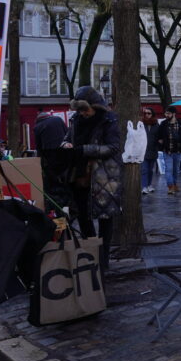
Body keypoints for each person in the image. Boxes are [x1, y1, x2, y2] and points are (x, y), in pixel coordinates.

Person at [62, 86, 122, 271]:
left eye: (84, 109)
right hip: (80, 176)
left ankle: (103, 261)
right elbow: (66, 137)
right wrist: (66, 143)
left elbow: (113, 147)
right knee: (82, 216)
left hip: (103, 177)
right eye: (79, 110)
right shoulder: (76, 120)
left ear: (96, 106)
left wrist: (85, 150)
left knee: (105, 219)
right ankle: (91, 256)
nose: (82, 113)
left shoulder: (108, 120)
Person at [34, 110, 71, 211]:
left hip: (50, 154)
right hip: (65, 152)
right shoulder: (58, 119)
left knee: (53, 179)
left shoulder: (38, 126)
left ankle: (58, 204)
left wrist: (39, 162)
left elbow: (38, 146)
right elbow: (68, 133)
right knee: (65, 177)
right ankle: (68, 201)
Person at [156, 106, 181, 194]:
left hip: (178, 151)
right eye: (165, 113)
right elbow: (158, 135)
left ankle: (174, 184)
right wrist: (161, 143)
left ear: (174, 114)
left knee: (176, 170)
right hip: (168, 151)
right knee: (168, 169)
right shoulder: (163, 124)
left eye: (168, 113)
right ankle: (170, 187)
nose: (166, 115)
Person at [139, 107, 159, 193]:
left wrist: (159, 142)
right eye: (146, 113)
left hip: (153, 150)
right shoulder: (141, 124)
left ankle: (149, 185)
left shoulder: (156, 124)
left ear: (152, 114)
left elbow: (159, 135)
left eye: (149, 113)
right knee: (144, 169)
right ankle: (144, 186)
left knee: (150, 170)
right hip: (143, 150)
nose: (147, 115)